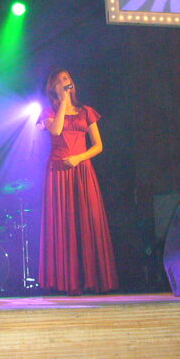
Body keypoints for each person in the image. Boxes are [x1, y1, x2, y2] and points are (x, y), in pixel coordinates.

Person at [37, 68, 118, 294]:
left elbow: (98, 145)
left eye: (67, 78)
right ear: (52, 88)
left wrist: (79, 158)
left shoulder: (86, 111)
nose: (64, 82)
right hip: (58, 172)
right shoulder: (49, 111)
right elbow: (56, 131)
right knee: (63, 224)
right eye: (59, 81)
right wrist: (63, 101)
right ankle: (67, 282)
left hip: (82, 170)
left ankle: (92, 279)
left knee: (87, 221)